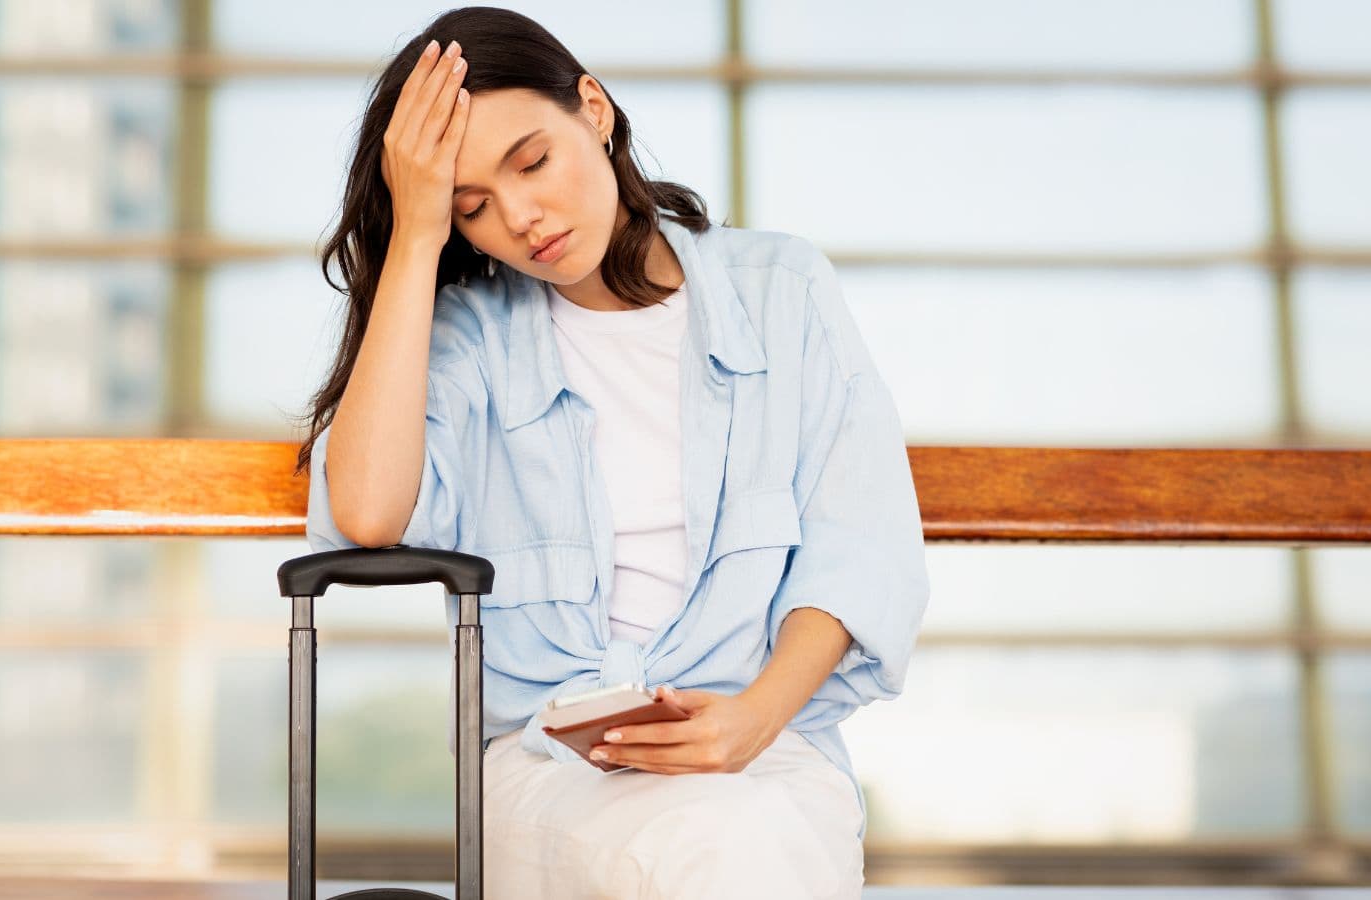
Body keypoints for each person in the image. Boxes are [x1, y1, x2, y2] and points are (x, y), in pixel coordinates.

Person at [296, 8, 929, 898]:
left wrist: (753, 718)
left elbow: (858, 544)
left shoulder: (781, 290)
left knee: (751, 837)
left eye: (532, 161)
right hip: (553, 765)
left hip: (768, 750)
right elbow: (363, 511)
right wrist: (414, 236)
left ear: (592, 107)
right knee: (726, 852)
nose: (521, 217)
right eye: (470, 205)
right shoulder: (467, 338)